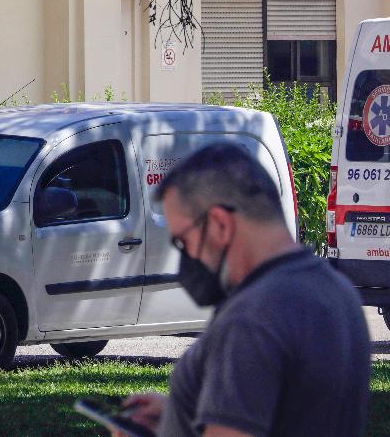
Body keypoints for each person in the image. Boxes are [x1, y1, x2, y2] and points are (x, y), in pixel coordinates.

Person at [113, 143, 370, 437]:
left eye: (183, 241)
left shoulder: (251, 318)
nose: (187, 257)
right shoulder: (336, 290)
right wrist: (180, 412)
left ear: (220, 224)